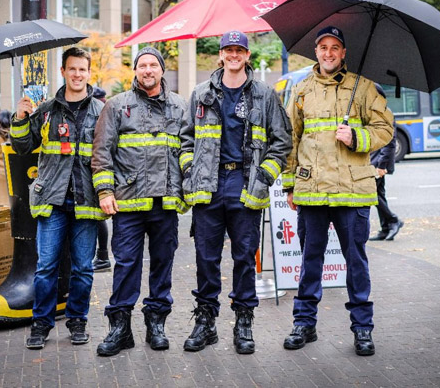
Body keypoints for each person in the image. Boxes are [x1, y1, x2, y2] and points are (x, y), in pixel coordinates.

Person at [281, 26, 394, 356]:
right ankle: (304, 324)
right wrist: (290, 184)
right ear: (315, 52)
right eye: (323, 47)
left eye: (335, 48)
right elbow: (291, 139)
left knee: (356, 263)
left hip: (352, 192)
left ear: (344, 53)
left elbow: (386, 128)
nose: (328, 53)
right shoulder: (301, 90)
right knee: (309, 262)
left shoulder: (364, 86)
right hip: (312, 191)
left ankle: (362, 328)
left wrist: (357, 137)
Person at [179, 31, 292, 355]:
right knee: (206, 259)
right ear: (221, 54)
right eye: (228, 49)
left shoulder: (264, 95)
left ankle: (244, 322)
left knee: (244, 259)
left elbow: (281, 142)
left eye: (239, 50)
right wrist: (190, 172)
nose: (233, 55)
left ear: (246, 55)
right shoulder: (201, 94)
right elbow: (186, 141)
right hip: (208, 188)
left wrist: (262, 178)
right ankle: (206, 322)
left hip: (244, 186)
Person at [91, 47, 187, 356]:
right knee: (127, 265)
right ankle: (120, 329)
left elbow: (189, 150)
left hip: (166, 204)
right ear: (135, 71)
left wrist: (187, 191)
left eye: (153, 65)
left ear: (162, 70)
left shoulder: (179, 106)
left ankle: (156, 324)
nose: (147, 70)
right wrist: (105, 192)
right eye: (142, 65)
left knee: (162, 264)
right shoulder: (117, 106)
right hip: (128, 204)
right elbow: (102, 152)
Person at [11, 47, 106, 350]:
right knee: (46, 267)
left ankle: (78, 320)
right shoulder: (47, 109)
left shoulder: (102, 111)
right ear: (63, 72)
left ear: (88, 73)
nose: (78, 74)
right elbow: (24, 147)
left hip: (86, 200)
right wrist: (20, 117)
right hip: (52, 200)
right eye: (72, 69)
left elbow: (108, 154)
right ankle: (41, 324)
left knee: (82, 267)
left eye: (83, 69)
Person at [369, 85, 403, 241]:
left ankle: (393, 219)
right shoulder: (374, 112)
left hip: (378, 163)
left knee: (373, 194)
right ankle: (385, 228)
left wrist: (381, 166)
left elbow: (390, 142)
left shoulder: (385, 113)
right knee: (379, 194)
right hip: (373, 160)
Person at [91, 86, 111, 272]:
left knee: (99, 218)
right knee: (99, 218)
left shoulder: (101, 110)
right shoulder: (106, 108)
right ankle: (103, 256)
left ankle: (103, 256)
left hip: (96, 172)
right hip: (99, 171)